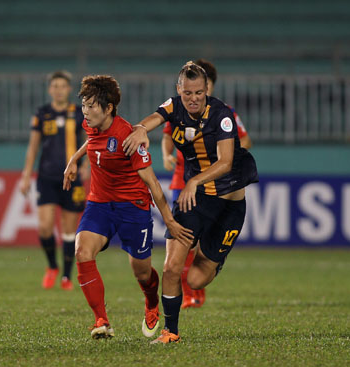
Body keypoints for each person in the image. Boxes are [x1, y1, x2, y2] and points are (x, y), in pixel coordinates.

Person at [123, 61, 258, 343]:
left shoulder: (222, 115)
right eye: (187, 93)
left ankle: (213, 261)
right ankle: (171, 331)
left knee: (197, 279)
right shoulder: (175, 106)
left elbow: (225, 162)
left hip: (229, 204)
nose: (193, 98)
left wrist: (194, 180)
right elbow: (155, 117)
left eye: (198, 92)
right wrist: (139, 129)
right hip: (194, 201)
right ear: (179, 90)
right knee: (171, 267)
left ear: (206, 89)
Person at [63, 75, 193, 339]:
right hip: (99, 203)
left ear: (108, 108)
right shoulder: (91, 124)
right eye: (83, 105)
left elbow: (153, 183)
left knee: (141, 272)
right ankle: (102, 320)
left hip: (132, 207)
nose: (84, 111)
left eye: (90, 105)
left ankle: (152, 301)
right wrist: (74, 160)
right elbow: (92, 141)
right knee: (83, 251)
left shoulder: (128, 137)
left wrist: (168, 221)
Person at [161, 58, 253, 309]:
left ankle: (196, 289)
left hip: (214, 186)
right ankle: (184, 294)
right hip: (183, 181)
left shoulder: (225, 113)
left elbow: (244, 142)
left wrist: (228, 157)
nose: (198, 94)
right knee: (183, 243)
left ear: (209, 87)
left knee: (201, 244)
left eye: (204, 88)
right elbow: (167, 133)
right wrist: (165, 153)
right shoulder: (179, 110)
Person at [19, 71, 87, 291]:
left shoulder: (78, 114)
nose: (58, 90)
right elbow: (33, 147)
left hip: (72, 178)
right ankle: (52, 266)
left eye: (63, 86)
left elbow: (88, 142)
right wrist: (26, 175)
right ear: (50, 90)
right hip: (47, 177)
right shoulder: (42, 113)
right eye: (55, 86)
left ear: (69, 90)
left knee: (69, 230)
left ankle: (66, 277)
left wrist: (86, 166)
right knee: (45, 228)